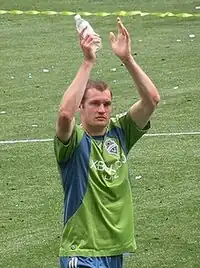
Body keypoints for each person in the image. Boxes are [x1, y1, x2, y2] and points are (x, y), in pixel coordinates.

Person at [54, 17, 160, 268]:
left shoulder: (121, 131)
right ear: (82, 106)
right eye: (94, 103)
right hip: (81, 251)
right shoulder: (74, 141)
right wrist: (88, 61)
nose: (102, 109)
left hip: (115, 250)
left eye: (107, 103)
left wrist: (127, 59)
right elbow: (64, 115)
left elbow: (151, 100)